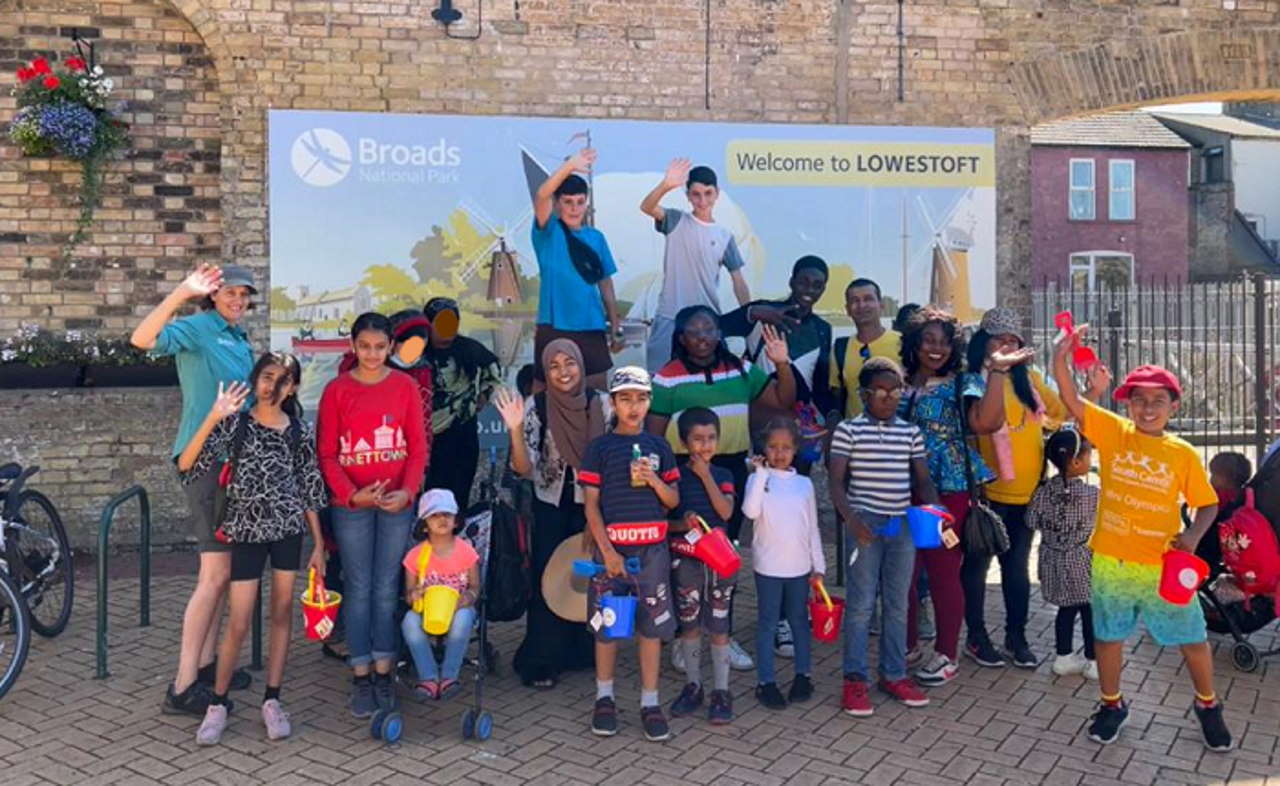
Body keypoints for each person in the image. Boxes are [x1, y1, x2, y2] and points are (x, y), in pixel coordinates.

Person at [1051, 334, 1232, 751]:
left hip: (1164, 567)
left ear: (1174, 407)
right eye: (1139, 400)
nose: (1148, 408)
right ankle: (1112, 705)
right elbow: (1070, 399)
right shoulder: (1114, 432)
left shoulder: (1182, 453)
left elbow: (1207, 505)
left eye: (1158, 400)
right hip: (1112, 563)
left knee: (1192, 638)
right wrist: (1062, 355)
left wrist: (1191, 537)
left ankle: (1209, 706)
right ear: (1128, 405)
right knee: (1109, 638)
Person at [177, 353, 327, 745]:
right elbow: (188, 465)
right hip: (245, 533)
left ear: (293, 387)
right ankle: (218, 703)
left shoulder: (298, 430)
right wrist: (212, 416)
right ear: (255, 379)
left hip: (287, 532)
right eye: (266, 375)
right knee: (238, 621)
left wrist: (320, 545)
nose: (271, 385)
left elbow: (310, 487)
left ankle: (273, 699)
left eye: (282, 378)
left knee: (281, 614)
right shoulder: (236, 424)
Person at [131, 262, 256, 716]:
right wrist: (180, 292)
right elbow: (142, 340)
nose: (238, 300)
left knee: (222, 575)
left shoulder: (236, 336)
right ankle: (182, 685)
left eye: (245, 295)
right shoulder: (199, 327)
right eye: (230, 293)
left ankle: (206, 666)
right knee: (213, 577)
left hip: (234, 465)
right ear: (213, 295)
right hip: (205, 462)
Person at [648, 306, 794, 671]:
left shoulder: (741, 369)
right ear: (681, 339)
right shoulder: (666, 378)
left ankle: (721, 635)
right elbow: (653, 435)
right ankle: (685, 638)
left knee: (724, 554)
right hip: (684, 472)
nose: (702, 338)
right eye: (694, 332)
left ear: (719, 334)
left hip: (730, 470)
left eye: (709, 330)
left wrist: (782, 364)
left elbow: (783, 401)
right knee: (687, 555)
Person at [897, 307, 1032, 686]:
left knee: (941, 571)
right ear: (915, 343)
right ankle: (906, 644)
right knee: (903, 572)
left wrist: (999, 372)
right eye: (928, 340)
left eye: (943, 341)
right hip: (899, 489)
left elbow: (987, 423)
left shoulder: (964, 382)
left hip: (945, 492)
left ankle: (945, 654)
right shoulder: (899, 380)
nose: (935, 349)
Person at [317, 312, 429, 719]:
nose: (372, 354)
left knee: (386, 587)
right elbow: (327, 454)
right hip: (352, 508)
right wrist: (350, 496)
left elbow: (417, 448)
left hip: (396, 505)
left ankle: (385, 671)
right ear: (353, 346)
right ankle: (360, 674)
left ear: (391, 348)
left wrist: (408, 491)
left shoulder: (405, 387)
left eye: (380, 347)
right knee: (359, 586)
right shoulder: (336, 391)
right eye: (364, 346)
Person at [961, 308, 1079, 670]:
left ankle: (1017, 636)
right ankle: (977, 637)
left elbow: (1061, 411)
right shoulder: (972, 381)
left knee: (1015, 571)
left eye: (1014, 341)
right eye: (1000, 340)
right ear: (984, 344)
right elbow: (975, 427)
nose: (1008, 347)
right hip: (985, 495)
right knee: (977, 568)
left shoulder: (1028, 379)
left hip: (1026, 493)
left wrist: (1066, 368)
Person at [828, 357, 937, 717]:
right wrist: (852, 521)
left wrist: (937, 513)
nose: (889, 398)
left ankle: (893, 673)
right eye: (881, 392)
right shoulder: (848, 430)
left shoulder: (910, 432)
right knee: (860, 607)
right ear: (863, 394)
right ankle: (854, 680)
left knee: (897, 604)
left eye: (896, 391)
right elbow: (836, 482)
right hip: (865, 524)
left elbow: (921, 479)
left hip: (901, 524)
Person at [495, 340, 605, 689]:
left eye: (569, 363)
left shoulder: (601, 404)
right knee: (549, 576)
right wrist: (514, 429)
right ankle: (543, 658)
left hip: (595, 502)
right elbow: (524, 467)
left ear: (581, 366)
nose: (563, 372)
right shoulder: (537, 405)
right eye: (554, 366)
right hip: (552, 502)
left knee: (588, 574)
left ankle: (581, 648)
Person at [579, 366, 680, 742]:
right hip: (612, 552)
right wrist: (607, 552)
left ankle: (650, 702)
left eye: (640, 399)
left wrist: (653, 478)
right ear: (613, 403)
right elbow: (591, 506)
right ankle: (604, 698)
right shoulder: (600, 448)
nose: (633, 407)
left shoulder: (660, 447)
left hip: (652, 551)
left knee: (650, 628)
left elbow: (673, 500)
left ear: (650, 402)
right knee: (608, 627)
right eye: (625, 399)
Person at [743, 417, 824, 710]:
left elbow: (812, 527)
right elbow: (751, 512)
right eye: (773, 447)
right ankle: (766, 682)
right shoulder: (757, 480)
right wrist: (761, 473)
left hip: (799, 568)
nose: (779, 453)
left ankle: (803, 675)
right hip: (767, 568)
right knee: (767, 624)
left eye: (786, 447)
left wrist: (819, 566)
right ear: (764, 448)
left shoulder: (804, 485)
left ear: (795, 450)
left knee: (800, 622)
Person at [722, 255, 834, 466]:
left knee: (796, 485)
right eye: (803, 282)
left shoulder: (822, 329)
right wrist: (752, 312)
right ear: (791, 281)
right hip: (763, 422)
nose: (809, 290)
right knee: (763, 485)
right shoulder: (765, 311)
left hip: (799, 425)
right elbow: (717, 326)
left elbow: (819, 385)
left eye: (817, 286)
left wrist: (832, 416)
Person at [640, 159, 750, 371]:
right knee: (659, 381)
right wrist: (666, 185)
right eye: (696, 194)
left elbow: (739, 281)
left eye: (708, 193)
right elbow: (647, 207)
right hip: (670, 317)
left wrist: (750, 316)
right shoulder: (675, 220)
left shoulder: (725, 236)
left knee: (711, 382)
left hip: (707, 324)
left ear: (717, 193)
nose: (702, 200)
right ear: (688, 195)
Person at [666, 407, 738, 725]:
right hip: (687, 560)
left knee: (720, 627)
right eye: (698, 439)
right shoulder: (675, 477)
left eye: (711, 438)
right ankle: (693, 685)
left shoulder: (723, 475)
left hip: (720, 561)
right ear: (684, 442)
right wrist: (682, 523)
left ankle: (722, 691)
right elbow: (664, 522)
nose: (705, 445)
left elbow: (725, 511)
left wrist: (706, 475)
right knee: (690, 624)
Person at [532, 147, 622, 391]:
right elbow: (541, 195)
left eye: (580, 202)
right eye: (568, 202)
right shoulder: (547, 233)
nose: (574, 208)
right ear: (558, 204)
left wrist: (614, 325)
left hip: (591, 324)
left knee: (597, 394)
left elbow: (605, 283)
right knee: (543, 395)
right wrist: (570, 166)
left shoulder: (597, 238)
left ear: (586, 203)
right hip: (553, 324)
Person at [1027, 428, 1099, 681]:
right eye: (1089, 455)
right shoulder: (1091, 496)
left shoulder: (1042, 492)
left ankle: (1063, 657)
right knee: (1090, 609)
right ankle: (1093, 660)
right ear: (1077, 462)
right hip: (1080, 560)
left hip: (1051, 558)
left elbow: (1031, 520)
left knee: (1065, 609)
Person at [401, 489, 481, 701]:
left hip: (457, 608)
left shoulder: (466, 551)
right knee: (409, 621)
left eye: (447, 514)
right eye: (435, 515)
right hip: (427, 610)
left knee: (464, 619)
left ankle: (448, 676)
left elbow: (475, 586)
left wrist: (469, 597)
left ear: (456, 521)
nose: (442, 519)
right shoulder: (416, 555)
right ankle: (428, 676)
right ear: (425, 524)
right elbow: (408, 596)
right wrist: (415, 594)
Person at [420, 297, 500, 511]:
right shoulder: (417, 352)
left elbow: (494, 371)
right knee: (430, 501)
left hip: (464, 435)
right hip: (428, 440)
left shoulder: (470, 348)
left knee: (458, 499)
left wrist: (484, 394)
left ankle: (456, 541)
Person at [829, 278, 902, 420]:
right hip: (855, 437)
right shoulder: (840, 348)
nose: (862, 305)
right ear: (848, 309)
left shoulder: (902, 343)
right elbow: (837, 394)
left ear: (881, 305)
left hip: (897, 436)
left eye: (868, 299)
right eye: (855, 301)